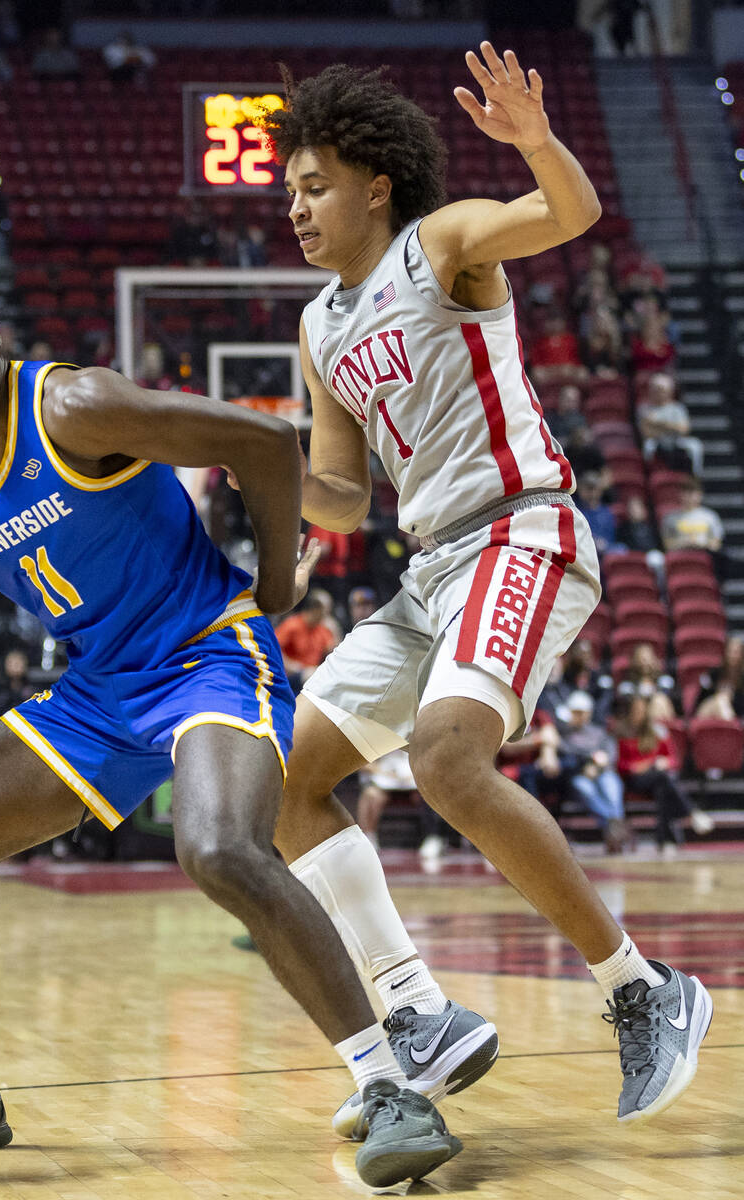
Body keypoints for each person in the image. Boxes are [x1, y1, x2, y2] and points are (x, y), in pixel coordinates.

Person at [0, 261, 462, 1189]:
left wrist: (264, 592)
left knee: (220, 848)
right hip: (99, 692)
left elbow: (264, 441)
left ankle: (389, 1087)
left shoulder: (74, 407)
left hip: (208, 655)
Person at [254, 46, 711, 1135]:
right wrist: (266, 478)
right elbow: (341, 495)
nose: (298, 210)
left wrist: (534, 142)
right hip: (427, 570)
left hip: (522, 530)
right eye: (288, 194)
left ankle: (640, 988)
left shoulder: (441, 243)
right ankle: (414, 1012)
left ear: (373, 182)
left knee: (447, 759)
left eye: (314, 186)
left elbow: (570, 210)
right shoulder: (318, 327)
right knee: (288, 779)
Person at [616, 694, 713, 855]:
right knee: (664, 779)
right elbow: (619, 764)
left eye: (642, 710)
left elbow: (673, 760)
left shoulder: (657, 731)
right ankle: (692, 813)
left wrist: (664, 762)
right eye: (635, 710)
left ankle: (664, 840)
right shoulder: (622, 732)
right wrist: (637, 767)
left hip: (657, 777)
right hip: (634, 780)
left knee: (663, 787)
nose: (639, 713)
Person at [556, 691, 629, 853]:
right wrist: (589, 760)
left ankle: (613, 827)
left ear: (589, 713)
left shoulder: (599, 733)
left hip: (602, 772)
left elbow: (610, 754)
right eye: (575, 712)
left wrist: (598, 766)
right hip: (579, 775)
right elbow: (566, 753)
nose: (579, 716)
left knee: (611, 786)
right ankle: (615, 823)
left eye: (582, 713)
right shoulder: (564, 733)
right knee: (584, 788)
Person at [637, 373, 702, 476]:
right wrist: (671, 427)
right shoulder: (644, 408)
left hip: (676, 441)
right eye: (655, 389)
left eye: (661, 390)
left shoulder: (678, 408)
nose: (657, 393)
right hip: (656, 442)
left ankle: (695, 476)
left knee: (695, 445)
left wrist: (657, 423)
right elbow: (646, 432)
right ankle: (647, 475)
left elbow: (684, 429)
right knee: (648, 445)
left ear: (669, 392)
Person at [273, 589, 338, 691]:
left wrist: (334, 629)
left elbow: (334, 652)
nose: (325, 616)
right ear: (314, 610)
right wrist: (290, 665)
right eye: (323, 612)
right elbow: (273, 647)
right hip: (290, 675)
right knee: (312, 675)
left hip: (311, 674)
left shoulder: (322, 628)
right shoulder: (292, 624)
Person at [661, 478, 723, 553]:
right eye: (686, 492)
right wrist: (685, 543)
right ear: (680, 494)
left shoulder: (710, 516)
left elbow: (716, 544)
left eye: (693, 493)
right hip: (679, 555)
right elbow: (667, 545)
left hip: (704, 554)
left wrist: (700, 543)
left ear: (700, 495)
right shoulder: (670, 518)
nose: (690, 497)